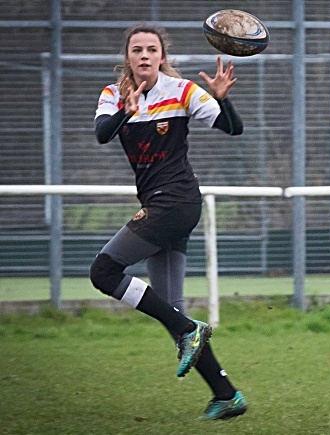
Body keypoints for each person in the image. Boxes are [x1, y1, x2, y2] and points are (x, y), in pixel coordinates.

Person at [90, 24, 247, 420]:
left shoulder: (182, 91)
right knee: (173, 312)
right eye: (137, 50)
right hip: (162, 204)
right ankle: (226, 394)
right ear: (127, 58)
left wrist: (223, 100)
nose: (144, 55)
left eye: (152, 49)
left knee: (104, 270)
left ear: (163, 56)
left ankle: (189, 331)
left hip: (175, 204)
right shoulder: (114, 96)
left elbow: (233, 128)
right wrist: (127, 109)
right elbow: (102, 135)